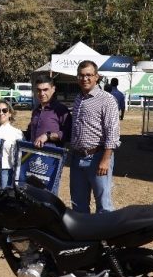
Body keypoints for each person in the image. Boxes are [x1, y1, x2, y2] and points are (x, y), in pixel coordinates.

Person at [69, 60, 120, 213]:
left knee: (104, 205)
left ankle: (105, 236)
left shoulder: (107, 99)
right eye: (81, 75)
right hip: (77, 158)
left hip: (97, 157)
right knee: (78, 204)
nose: (85, 79)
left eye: (89, 75)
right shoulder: (79, 98)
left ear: (97, 77)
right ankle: (83, 235)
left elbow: (112, 131)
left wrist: (105, 159)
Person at [25, 77, 72, 149]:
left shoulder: (61, 110)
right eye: (38, 90)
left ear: (53, 89)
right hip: (33, 155)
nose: (42, 93)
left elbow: (68, 133)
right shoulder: (36, 111)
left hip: (52, 157)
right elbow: (29, 133)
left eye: (45, 90)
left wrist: (48, 136)